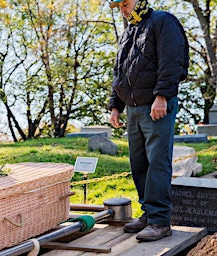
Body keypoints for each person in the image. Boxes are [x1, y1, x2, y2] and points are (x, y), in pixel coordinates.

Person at [108, 0, 189, 242]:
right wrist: (115, 105)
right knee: (139, 164)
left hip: (156, 106)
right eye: (119, 6)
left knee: (157, 164)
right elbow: (120, 70)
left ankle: (160, 221)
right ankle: (148, 214)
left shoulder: (163, 21)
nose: (123, 9)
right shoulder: (129, 31)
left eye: (126, 3)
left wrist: (162, 96)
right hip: (133, 108)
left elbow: (171, 61)